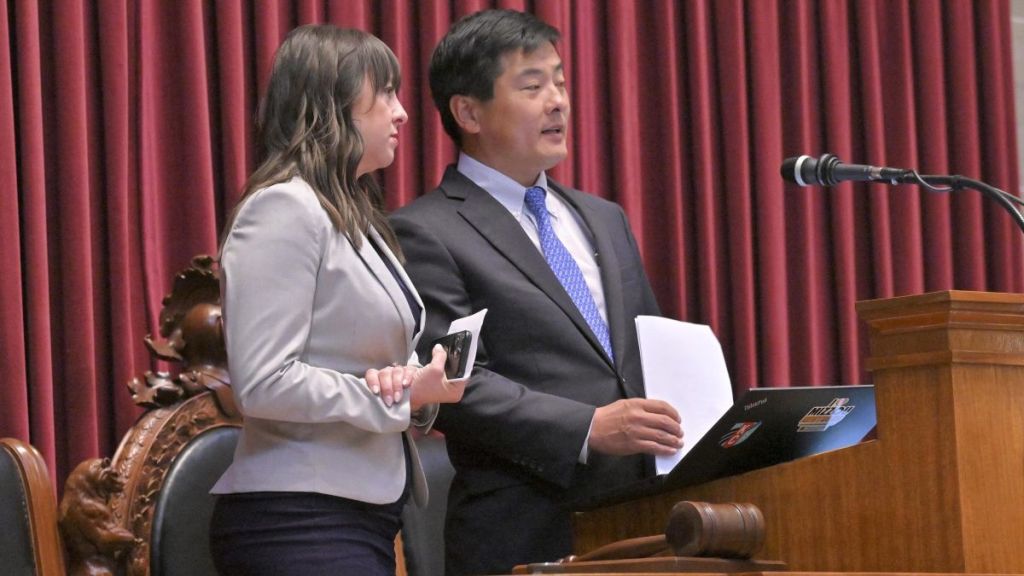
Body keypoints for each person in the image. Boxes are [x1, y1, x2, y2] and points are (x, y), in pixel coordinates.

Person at [390, 9, 684, 576]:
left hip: (646, 520)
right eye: (532, 86)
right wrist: (587, 427)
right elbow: (455, 380)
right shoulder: (425, 230)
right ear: (468, 111)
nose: (557, 101)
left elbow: (648, 348)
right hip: (525, 529)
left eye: (561, 82)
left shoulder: (603, 217)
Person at [208, 24, 464, 576]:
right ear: (333, 106)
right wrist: (391, 398)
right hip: (296, 520)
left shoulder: (353, 214)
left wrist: (416, 383)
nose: (401, 113)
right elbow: (264, 382)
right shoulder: (282, 208)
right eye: (386, 92)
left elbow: (361, 360)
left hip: (361, 512)